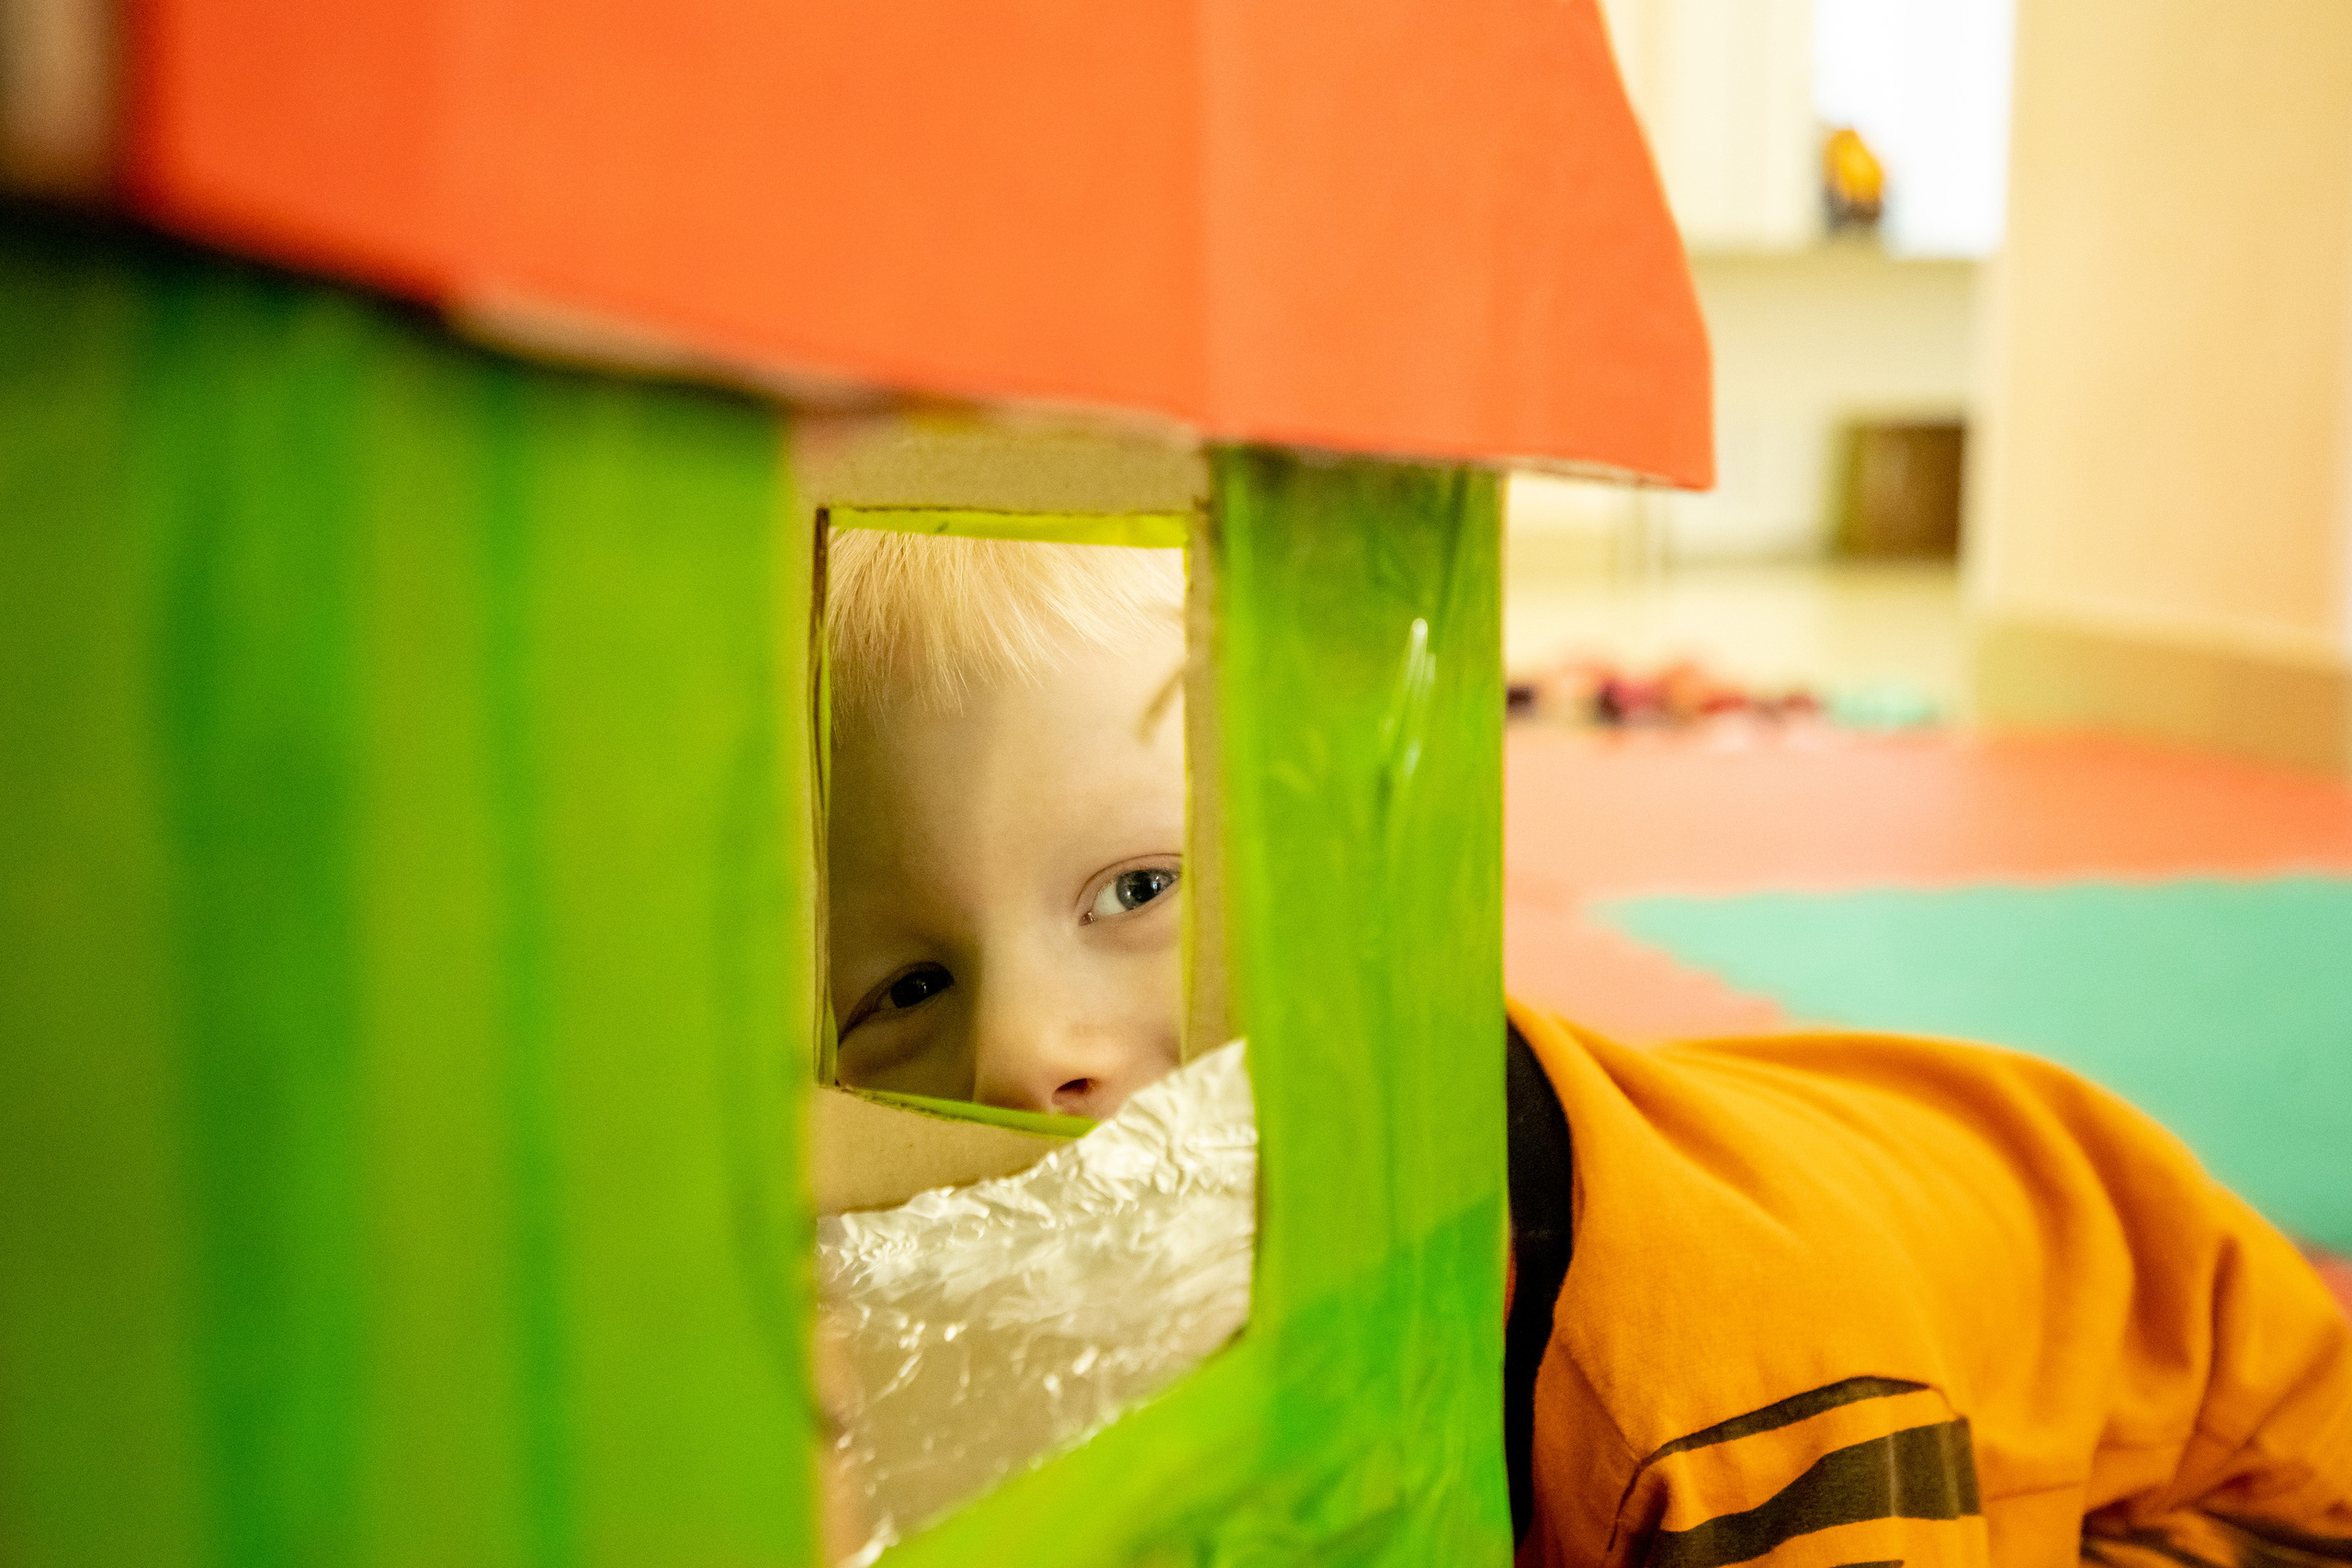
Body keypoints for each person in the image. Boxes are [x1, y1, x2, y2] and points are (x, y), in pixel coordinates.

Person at [822, 528, 2352, 1565]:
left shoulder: (1710, 1390)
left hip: (2250, 1478)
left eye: (1140, 890)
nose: (1023, 1053)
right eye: (900, 991)